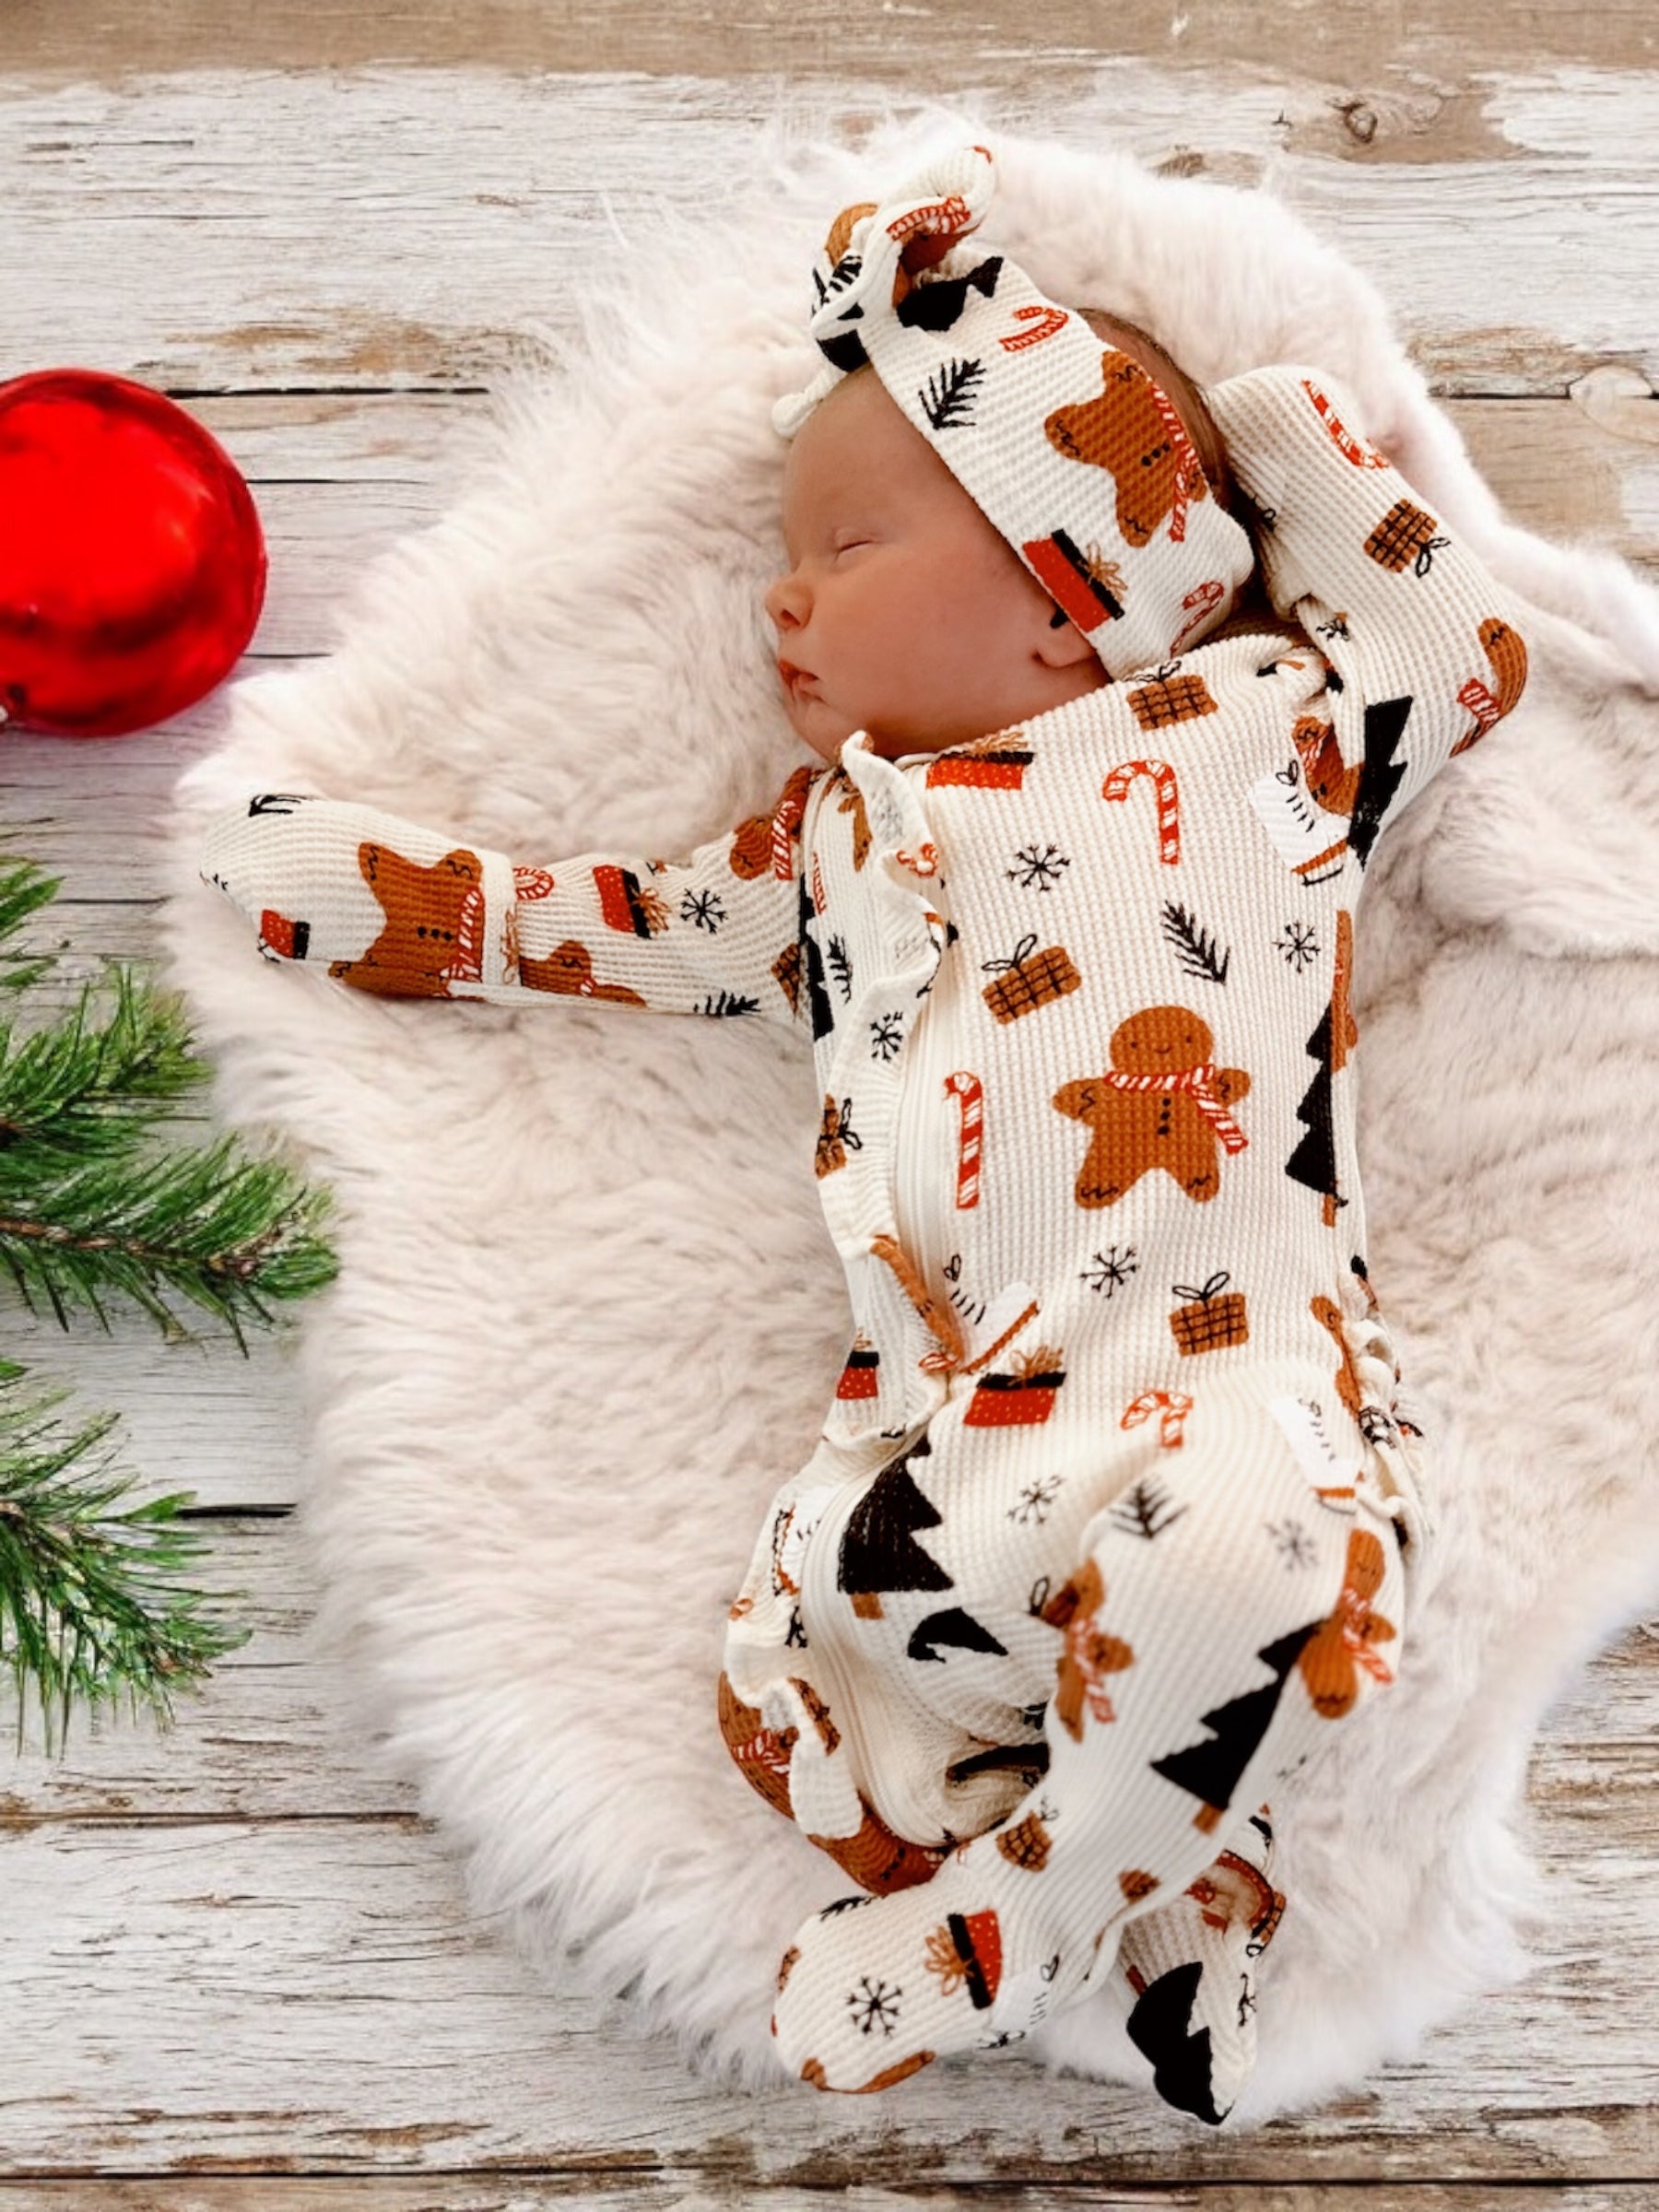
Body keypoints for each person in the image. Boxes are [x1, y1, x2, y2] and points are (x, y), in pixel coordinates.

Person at [198, 144, 1531, 2120]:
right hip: (954, 1424)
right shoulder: (848, 850)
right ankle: (1138, 1871)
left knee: (1256, 1555)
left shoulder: (1256, 734)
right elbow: (636, 934)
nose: (782, 600)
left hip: (1222, 1357)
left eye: (845, 548)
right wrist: (423, 903)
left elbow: (1456, 656)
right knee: (845, 1685)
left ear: (1073, 590)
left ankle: (1044, 1901)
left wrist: (1298, 449)